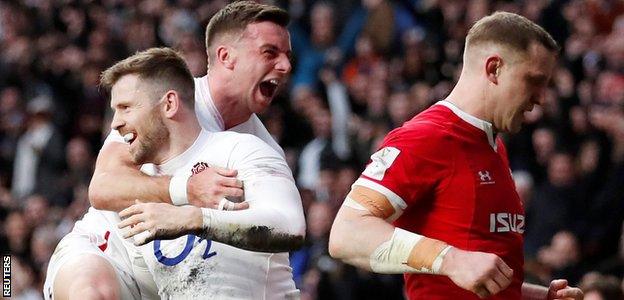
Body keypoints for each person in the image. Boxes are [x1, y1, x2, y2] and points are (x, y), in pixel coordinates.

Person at [44, 2, 300, 299]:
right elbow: (103, 187)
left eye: (287, 56)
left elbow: (279, 231)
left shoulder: (261, 151)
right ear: (226, 57)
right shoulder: (163, 100)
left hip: (173, 280)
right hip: (111, 251)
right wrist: (185, 189)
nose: (285, 66)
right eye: (270, 53)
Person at [328, 12, 584, 300]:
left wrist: (537, 296)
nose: (541, 98)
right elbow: (346, 233)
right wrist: (450, 259)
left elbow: (472, 275)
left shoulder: (494, 147)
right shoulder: (427, 136)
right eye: (534, 81)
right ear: (494, 69)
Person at [103, 47, 304, 298]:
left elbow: (291, 225)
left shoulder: (240, 151)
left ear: (169, 104)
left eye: (126, 107)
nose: (115, 123)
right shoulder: (140, 195)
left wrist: (194, 219)